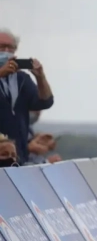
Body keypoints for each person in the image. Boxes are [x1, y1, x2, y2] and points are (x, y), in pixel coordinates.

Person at [0, 28, 54, 165]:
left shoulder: (21, 78)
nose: (5, 51)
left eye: (10, 47)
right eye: (1, 47)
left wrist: (40, 77)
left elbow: (45, 102)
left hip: (17, 155)